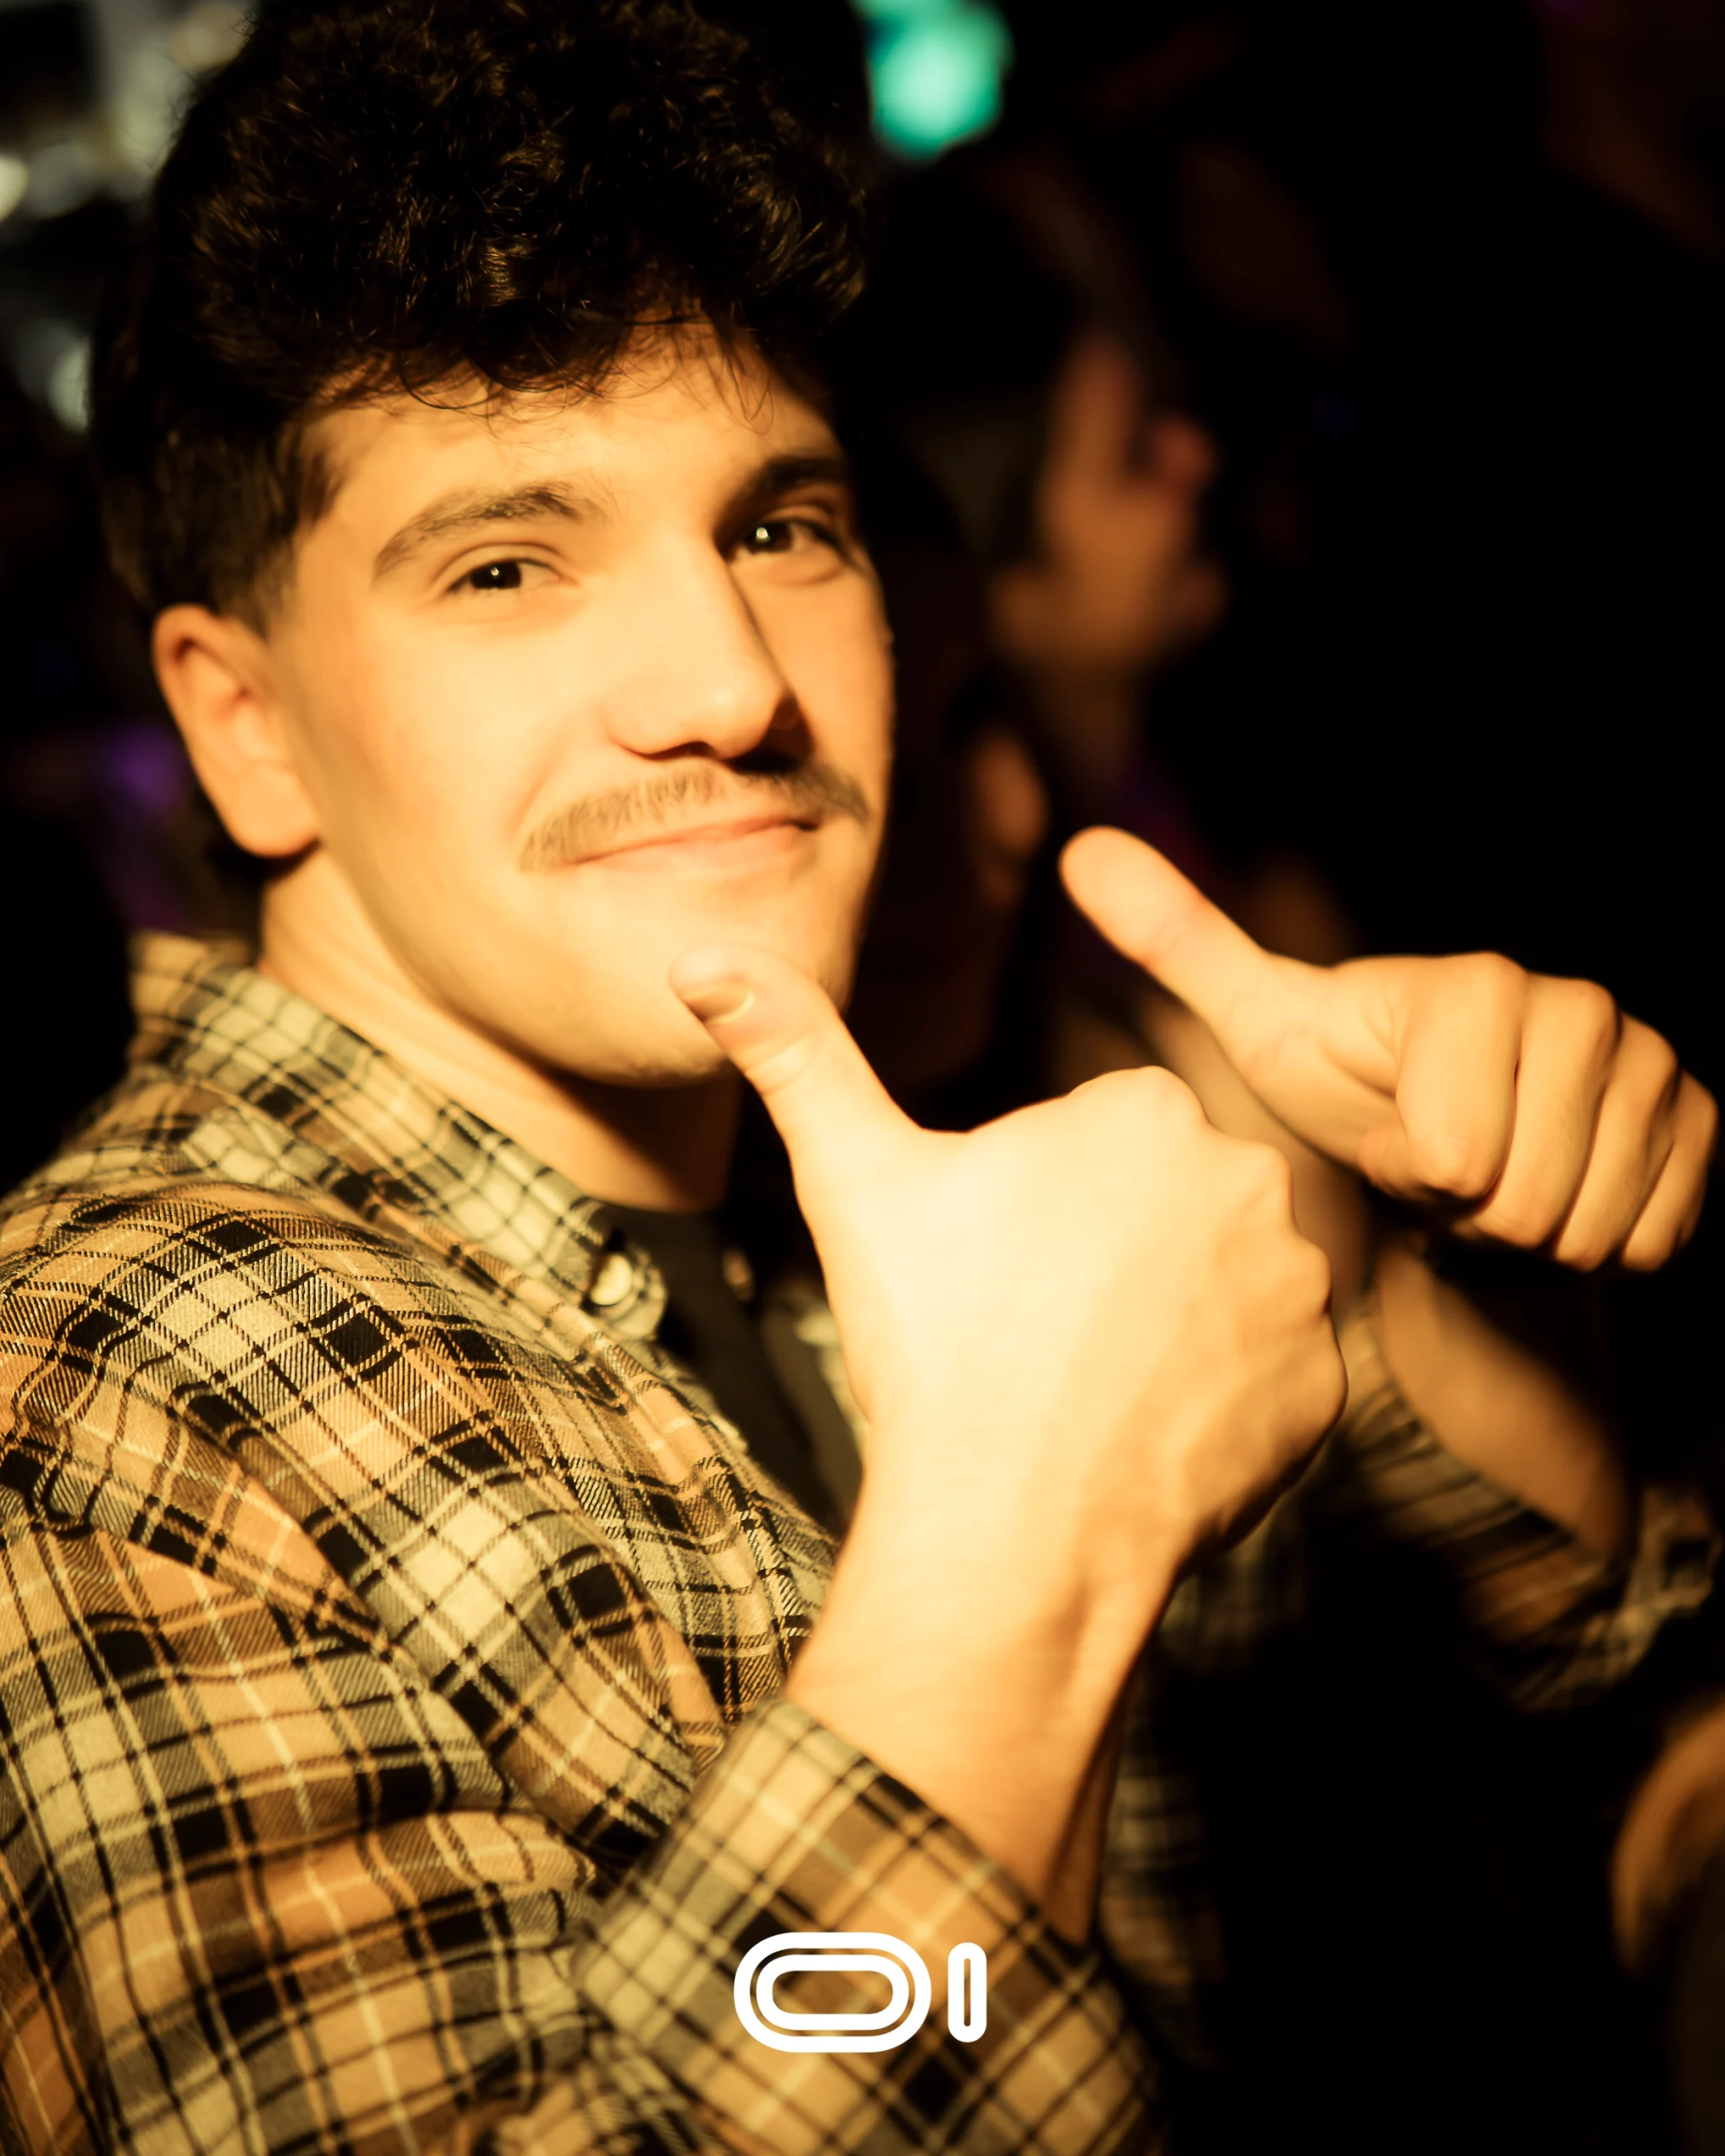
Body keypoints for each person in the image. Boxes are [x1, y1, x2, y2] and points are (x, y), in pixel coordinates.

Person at [0, 3, 1716, 2150]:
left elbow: (1561, 1652)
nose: (730, 684)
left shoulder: (865, 1163)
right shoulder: (100, 1397)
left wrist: (1447, 1244)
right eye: (507, 566)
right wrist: (1022, 1541)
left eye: (778, 528)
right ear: (245, 727)